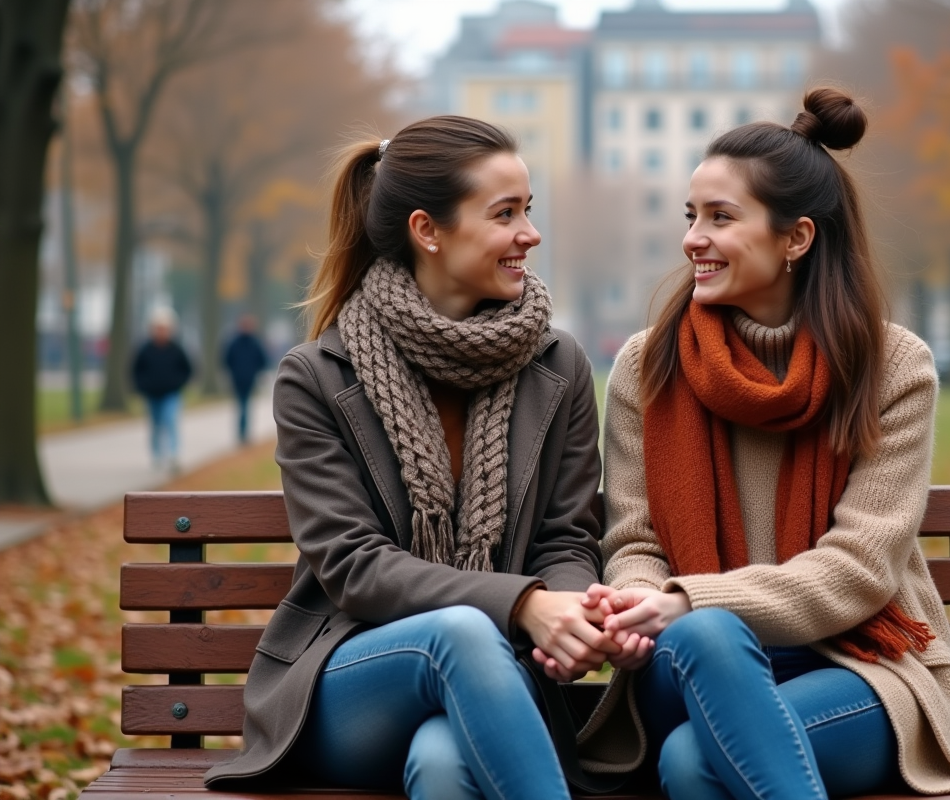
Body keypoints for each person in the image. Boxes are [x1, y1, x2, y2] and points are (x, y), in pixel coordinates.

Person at [587, 89, 950, 799]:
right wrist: (643, 604)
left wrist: (689, 599)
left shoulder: (891, 367)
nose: (692, 239)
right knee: (708, 639)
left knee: (693, 763)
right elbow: (635, 542)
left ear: (796, 238)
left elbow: (859, 569)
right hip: (683, 660)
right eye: (691, 217)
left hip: (855, 666)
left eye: (721, 217)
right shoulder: (647, 364)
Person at [203, 116, 624, 800]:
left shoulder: (558, 365)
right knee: (456, 634)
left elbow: (565, 535)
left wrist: (571, 608)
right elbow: (354, 564)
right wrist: (523, 604)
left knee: (441, 764)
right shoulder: (318, 377)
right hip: (350, 683)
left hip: (506, 681)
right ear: (429, 231)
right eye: (506, 213)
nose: (531, 234)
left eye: (529, 210)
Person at [131, 307, 192, 473]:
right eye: (158, 328)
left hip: (171, 393)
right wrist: (142, 386)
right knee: (155, 425)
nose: (161, 332)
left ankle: (173, 454)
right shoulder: (145, 350)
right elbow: (136, 371)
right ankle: (157, 455)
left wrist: (178, 383)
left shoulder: (176, 349)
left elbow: (187, 369)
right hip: (152, 394)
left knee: (170, 421)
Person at [222, 314, 270, 444]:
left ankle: (243, 431)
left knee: (244, 404)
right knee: (242, 404)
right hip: (238, 379)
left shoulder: (253, 342)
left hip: (248, 379)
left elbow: (262, 359)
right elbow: (226, 359)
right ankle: (243, 431)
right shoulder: (235, 342)